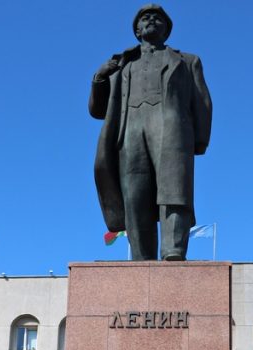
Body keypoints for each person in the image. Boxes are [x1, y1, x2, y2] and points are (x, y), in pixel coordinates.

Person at [89, 4, 212, 261]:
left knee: (174, 191)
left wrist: (199, 140)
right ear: (137, 30)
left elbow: (202, 102)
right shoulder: (120, 65)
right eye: (146, 17)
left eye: (158, 18)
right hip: (130, 131)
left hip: (173, 131)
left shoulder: (188, 61)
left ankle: (173, 250)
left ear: (167, 29)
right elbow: (98, 110)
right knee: (135, 196)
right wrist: (100, 78)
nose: (152, 20)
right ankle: (141, 259)